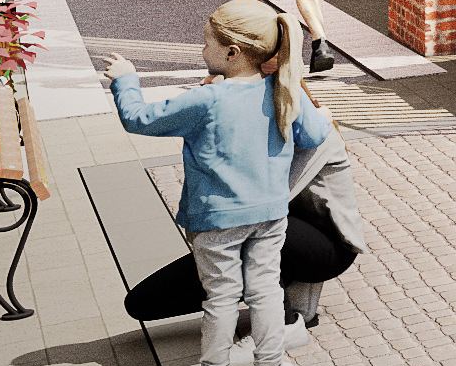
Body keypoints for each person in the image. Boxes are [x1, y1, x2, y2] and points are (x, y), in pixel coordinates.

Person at [103, 1, 329, 366]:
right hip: (271, 214)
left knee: (222, 296)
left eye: (205, 43)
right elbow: (313, 137)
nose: (199, 51)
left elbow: (137, 119)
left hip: (217, 219)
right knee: (265, 291)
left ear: (232, 52)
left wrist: (126, 79)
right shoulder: (284, 90)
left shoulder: (205, 101)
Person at [121, 124, 365, 345]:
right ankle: (286, 294)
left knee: (249, 228)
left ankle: (283, 325)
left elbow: (266, 202)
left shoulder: (317, 134)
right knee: (141, 303)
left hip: (329, 248)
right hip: (283, 238)